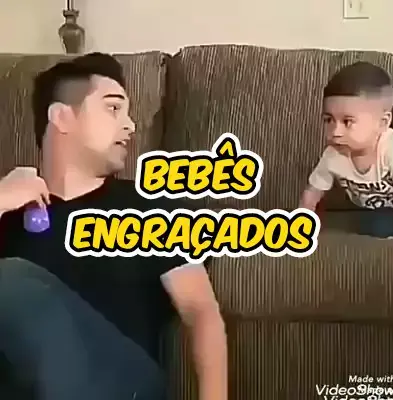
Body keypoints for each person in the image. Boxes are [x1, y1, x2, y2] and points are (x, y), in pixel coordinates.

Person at [0, 53, 227, 400]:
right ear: (62, 117)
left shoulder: (151, 208)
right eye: (113, 108)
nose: (130, 125)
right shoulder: (10, 214)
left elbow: (202, 312)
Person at [299, 61, 393, 238]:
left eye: (348, 122)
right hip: (373, 212)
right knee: (372, 225)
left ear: (382, 123)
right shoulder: (333, 155)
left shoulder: (392, 148)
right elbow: (312, 194)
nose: (335, 132)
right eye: (329, 120)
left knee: (380, 227)